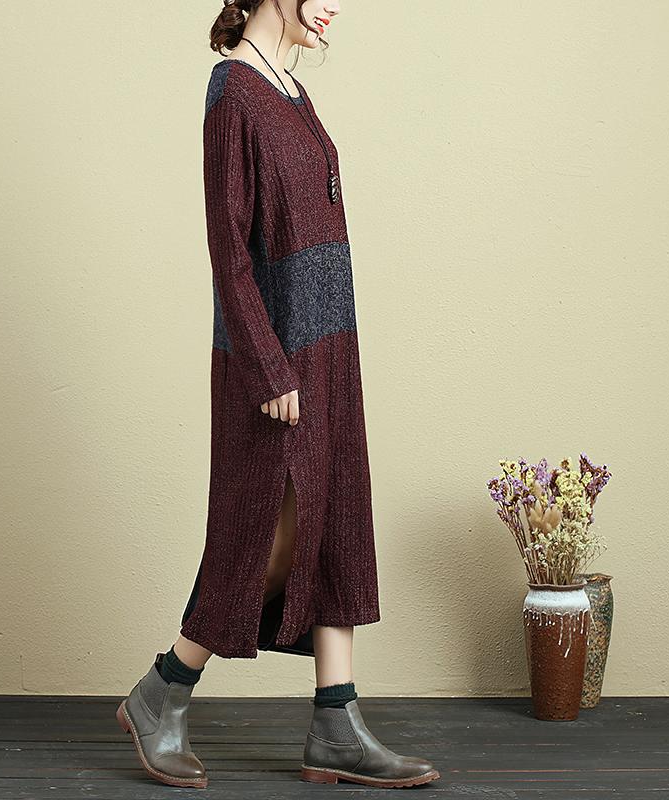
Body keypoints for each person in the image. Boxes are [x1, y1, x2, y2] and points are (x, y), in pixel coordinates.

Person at [116, 0, 441, 789]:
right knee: (262, 537)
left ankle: (336, 719)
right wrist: (268, 368)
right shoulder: (233, 91)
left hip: (329, 345)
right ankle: (163, 689)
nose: (334, 7)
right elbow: (229, 249)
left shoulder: (292, 88)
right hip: (276, 356)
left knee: (334, 521)